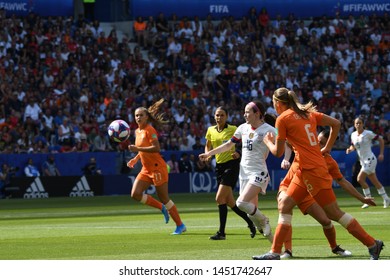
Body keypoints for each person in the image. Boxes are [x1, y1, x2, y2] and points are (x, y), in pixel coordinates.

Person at [253, 87, 384, 260]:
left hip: (312, 170)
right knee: (285, 205)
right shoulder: (308, 113)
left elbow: (277, 152)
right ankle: (275, 252)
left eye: (274, 103)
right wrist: (327, 147)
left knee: (334, 213)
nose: (274, 106)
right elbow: (336, 124)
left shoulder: (283, 119)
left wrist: (267, 142)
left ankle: (372, 244)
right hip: (304, 168)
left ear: (278, 103)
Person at [279, 130, 376, 259]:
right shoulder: (305, 147)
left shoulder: (329, 162)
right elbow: (284, 136)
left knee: (326, 221)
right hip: (288, 186)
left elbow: (343, 182)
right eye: (317, 140)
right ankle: (286, 251)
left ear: (328, 145)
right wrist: (285, 157)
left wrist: (362, 198)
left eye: (322, 143)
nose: (317, 144)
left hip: (306, 193)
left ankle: (335, 247)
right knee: (284, 206)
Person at [199, 101, 276, 243]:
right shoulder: (242, 128)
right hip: (244, 173)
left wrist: (288, 158)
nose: (244, 114)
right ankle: (276, 248)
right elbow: (228, 145)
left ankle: (264, 220)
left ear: (257, 113)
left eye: (247, 112)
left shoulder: (269, 130)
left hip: (258, 172)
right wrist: (209, 153)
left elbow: (285, 144)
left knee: (240, 203)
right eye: (244, 111)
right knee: (250, 212)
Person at [127, 98, 186, 235]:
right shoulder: (137, 131)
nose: (138, 117)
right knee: (135, 194)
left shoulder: (150, 129)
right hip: (146, 169)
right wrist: (135, 159)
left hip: (157, 168)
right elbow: (142, 149)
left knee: (165, 197)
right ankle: (161, 208)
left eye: (141, 115)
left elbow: (156, 148)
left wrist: (136, 149)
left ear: (147, 117)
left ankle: (180, 225)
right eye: (136, 115)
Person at [202, 106, 257, 240]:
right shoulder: (210, 130)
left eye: (221, 115)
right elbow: (208, 144)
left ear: (226, 117)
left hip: (231, 166)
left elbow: (244, 142)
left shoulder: (233, 129)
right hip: (219, 167)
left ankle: (221, 233)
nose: (219, 117)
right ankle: (251, 223)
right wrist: (208, 154)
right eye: (217, 115)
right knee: (231, 203)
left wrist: (238, 152)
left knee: (219, 198)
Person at [346, 116, 390, 209]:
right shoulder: (353, 135)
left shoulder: (368, 133)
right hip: (363, 162)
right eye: (356, 123)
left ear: (363, 124)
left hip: (370, 160)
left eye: (360, 123)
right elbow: (353, 146)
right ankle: (386, 198)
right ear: (354, 125)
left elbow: (381, 139)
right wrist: (350, 149)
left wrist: (381, 153)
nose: (358, 125)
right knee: (375, 181)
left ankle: (368, 200)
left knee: (360, 179)